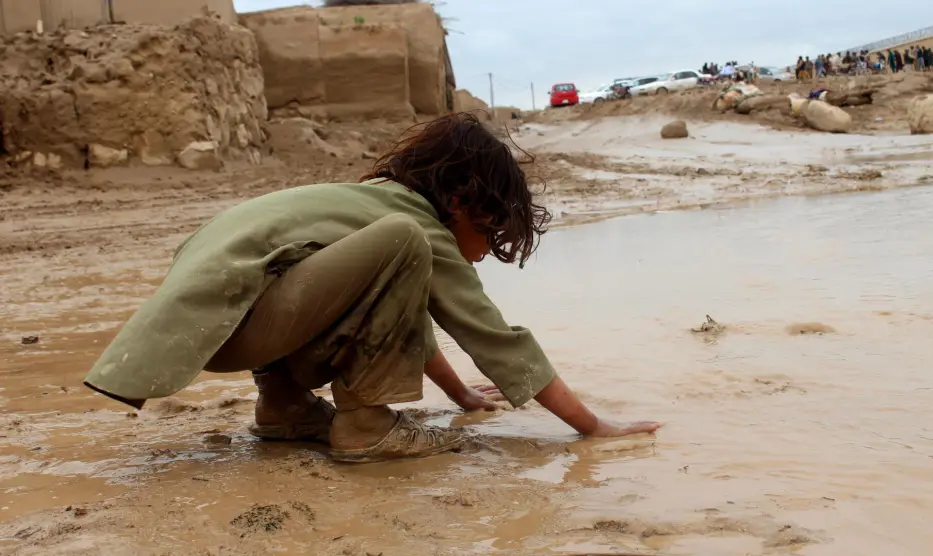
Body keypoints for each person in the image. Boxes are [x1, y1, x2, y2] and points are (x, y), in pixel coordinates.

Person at [83, 112, 663, 463]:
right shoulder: (414, 224)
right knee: (402, 243)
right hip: (236, 327)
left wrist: (463, 398)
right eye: (488, 234)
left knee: (374, 263)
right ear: (459, 202)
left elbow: (405, 321)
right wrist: (595, 427)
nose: (485, 252)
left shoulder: (366, 206)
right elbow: (492, 336)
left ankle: (283, 406)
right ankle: (365, 426)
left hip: (206, 328)